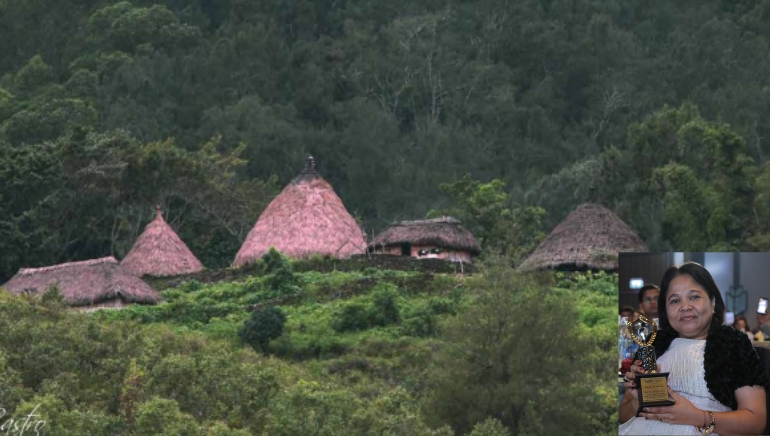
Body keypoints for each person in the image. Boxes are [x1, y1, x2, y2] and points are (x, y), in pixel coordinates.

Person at [619, 262, 767, 435]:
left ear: (712, 302)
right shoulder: (653, 344)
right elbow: (624, 417)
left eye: (694, 297)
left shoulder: (734, 343)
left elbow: (756, 423)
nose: (685, 307)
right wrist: (636, 399)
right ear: (665, 310)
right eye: (675, 300)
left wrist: (698, 417)